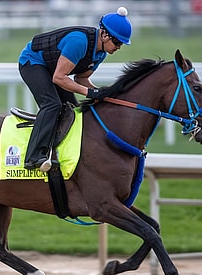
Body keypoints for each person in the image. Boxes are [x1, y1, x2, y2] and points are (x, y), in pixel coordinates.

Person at [18, 7, 132, 171]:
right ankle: (34, 157)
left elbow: (81, 78)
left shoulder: (101, 53)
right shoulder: (79, 42)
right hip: (32, 62)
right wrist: (90, 93)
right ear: (105, 35)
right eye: (118, 42)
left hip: (53, 69)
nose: (119, 47)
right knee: (52, 105)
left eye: (121, 44)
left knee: (75, 110)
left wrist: (100, 92)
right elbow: (58, 78)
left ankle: (62, 151)